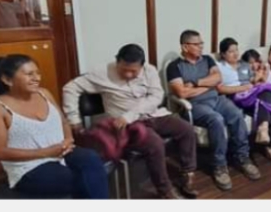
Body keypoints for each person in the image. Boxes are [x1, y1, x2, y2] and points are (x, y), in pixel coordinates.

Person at [62, 43, 198, 199]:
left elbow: (156, 97)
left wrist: (131, 114)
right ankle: (165, 191)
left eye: (133, 71)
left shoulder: (150, 70)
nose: (128, 74)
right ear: (117, 61)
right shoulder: (102, 72)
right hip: (126, 125)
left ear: (142, 66)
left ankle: (187, 174)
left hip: (153, 115)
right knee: (155, 144)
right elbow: (70, 88)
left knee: (186, 129)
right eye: (123, 70)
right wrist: (74, 119)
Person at [0, 54, 109, 198]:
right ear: (7, 80)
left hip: (60, 152)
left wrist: (68, 139)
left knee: (91, 159)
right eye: (29, 74)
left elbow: (63, 122)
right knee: (71, 178)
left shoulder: (44, 93)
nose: (37, 78)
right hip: (28, 165)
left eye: (38, 73)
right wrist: (46, 152)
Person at [166, 30, 260, 191]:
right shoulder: (174, 66)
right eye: (197, 44)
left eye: (201, 43)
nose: (201, 47)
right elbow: (182, 93)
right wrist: (208, 85)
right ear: (185, 46)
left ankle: (243, 157)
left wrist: (195, 83)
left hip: (217, 99)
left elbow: (218, 78)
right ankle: (219, 166)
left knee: (237, 114)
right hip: (195, 105)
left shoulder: (208, 59)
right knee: (216, 120)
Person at [217, 37, 271, 164]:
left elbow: (254, 81)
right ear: (223, 54)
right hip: (235, 98)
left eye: (236, 50)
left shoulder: (243, 65)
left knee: (267, 95)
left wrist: (261, 75)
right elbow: (220, 88)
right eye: (231, 51)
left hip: (251, 95)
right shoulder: (219, 67)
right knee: (268, 99)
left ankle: (264, 131)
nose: (235, 54)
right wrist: (243, 88)